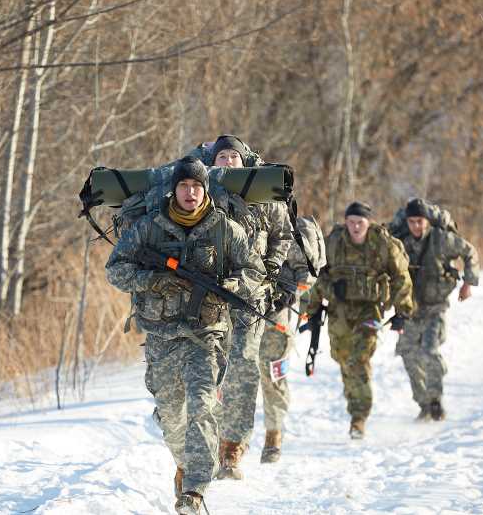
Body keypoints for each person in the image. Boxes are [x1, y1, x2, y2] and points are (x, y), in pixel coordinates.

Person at [105, 157, 265, 514]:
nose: (190, 192)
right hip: (162, 336)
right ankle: (185, 464)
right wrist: (152, 280)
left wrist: (229, 285)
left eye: (196, 186)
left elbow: (254, 272)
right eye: (184, 186)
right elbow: (115, 270)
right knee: (171, 414)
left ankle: (194, 489)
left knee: (202, 406)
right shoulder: (148, 229)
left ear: (205, 190)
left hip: (206, 335)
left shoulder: (225, 230)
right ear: (173, 190)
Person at [196, 135, 292, 480]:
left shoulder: (263, 194)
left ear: (243, 161)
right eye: (220, 155)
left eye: (232, 156)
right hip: (205, 297)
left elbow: (284, 235)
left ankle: (232, 447)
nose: (226, 160)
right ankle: (202, 443)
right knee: (206, 369)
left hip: (251, 298)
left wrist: (271, 270)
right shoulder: (196, 191)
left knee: (244, 368)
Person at [306, 201, 414, 439]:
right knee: (343, 358)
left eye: (360, 222)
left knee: (359, 358)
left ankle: (359, 417)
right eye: (351, 222)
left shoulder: (383, 244)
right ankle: (355, 405)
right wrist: (314, 308)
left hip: (370, 310)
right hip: (339, 310)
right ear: (345, 222)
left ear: (369, 222)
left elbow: (401, 277)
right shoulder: (333, 243)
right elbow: (315, 275)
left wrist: (402, 312)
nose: (356, 227)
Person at [394, 197, 480, 421]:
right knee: (407, 355)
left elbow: (470, 253)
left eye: (420, 221)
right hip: (410, 310)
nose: (416, 226)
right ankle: (423, 404)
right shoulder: (400, 242)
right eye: (412, 222)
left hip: (435, 308)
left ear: (428, 221)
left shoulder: (441, 240)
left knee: (429, 351)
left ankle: (435, 401)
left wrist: (467, 284)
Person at [258, 215, 325, 462]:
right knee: (233, 379)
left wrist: (290, 289)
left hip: (278, 316)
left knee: (272, 375)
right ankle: (231, 444)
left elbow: (307, 272)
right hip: (239, 313)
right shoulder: (238, 215)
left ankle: (273, 434)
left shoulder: (289, 224)